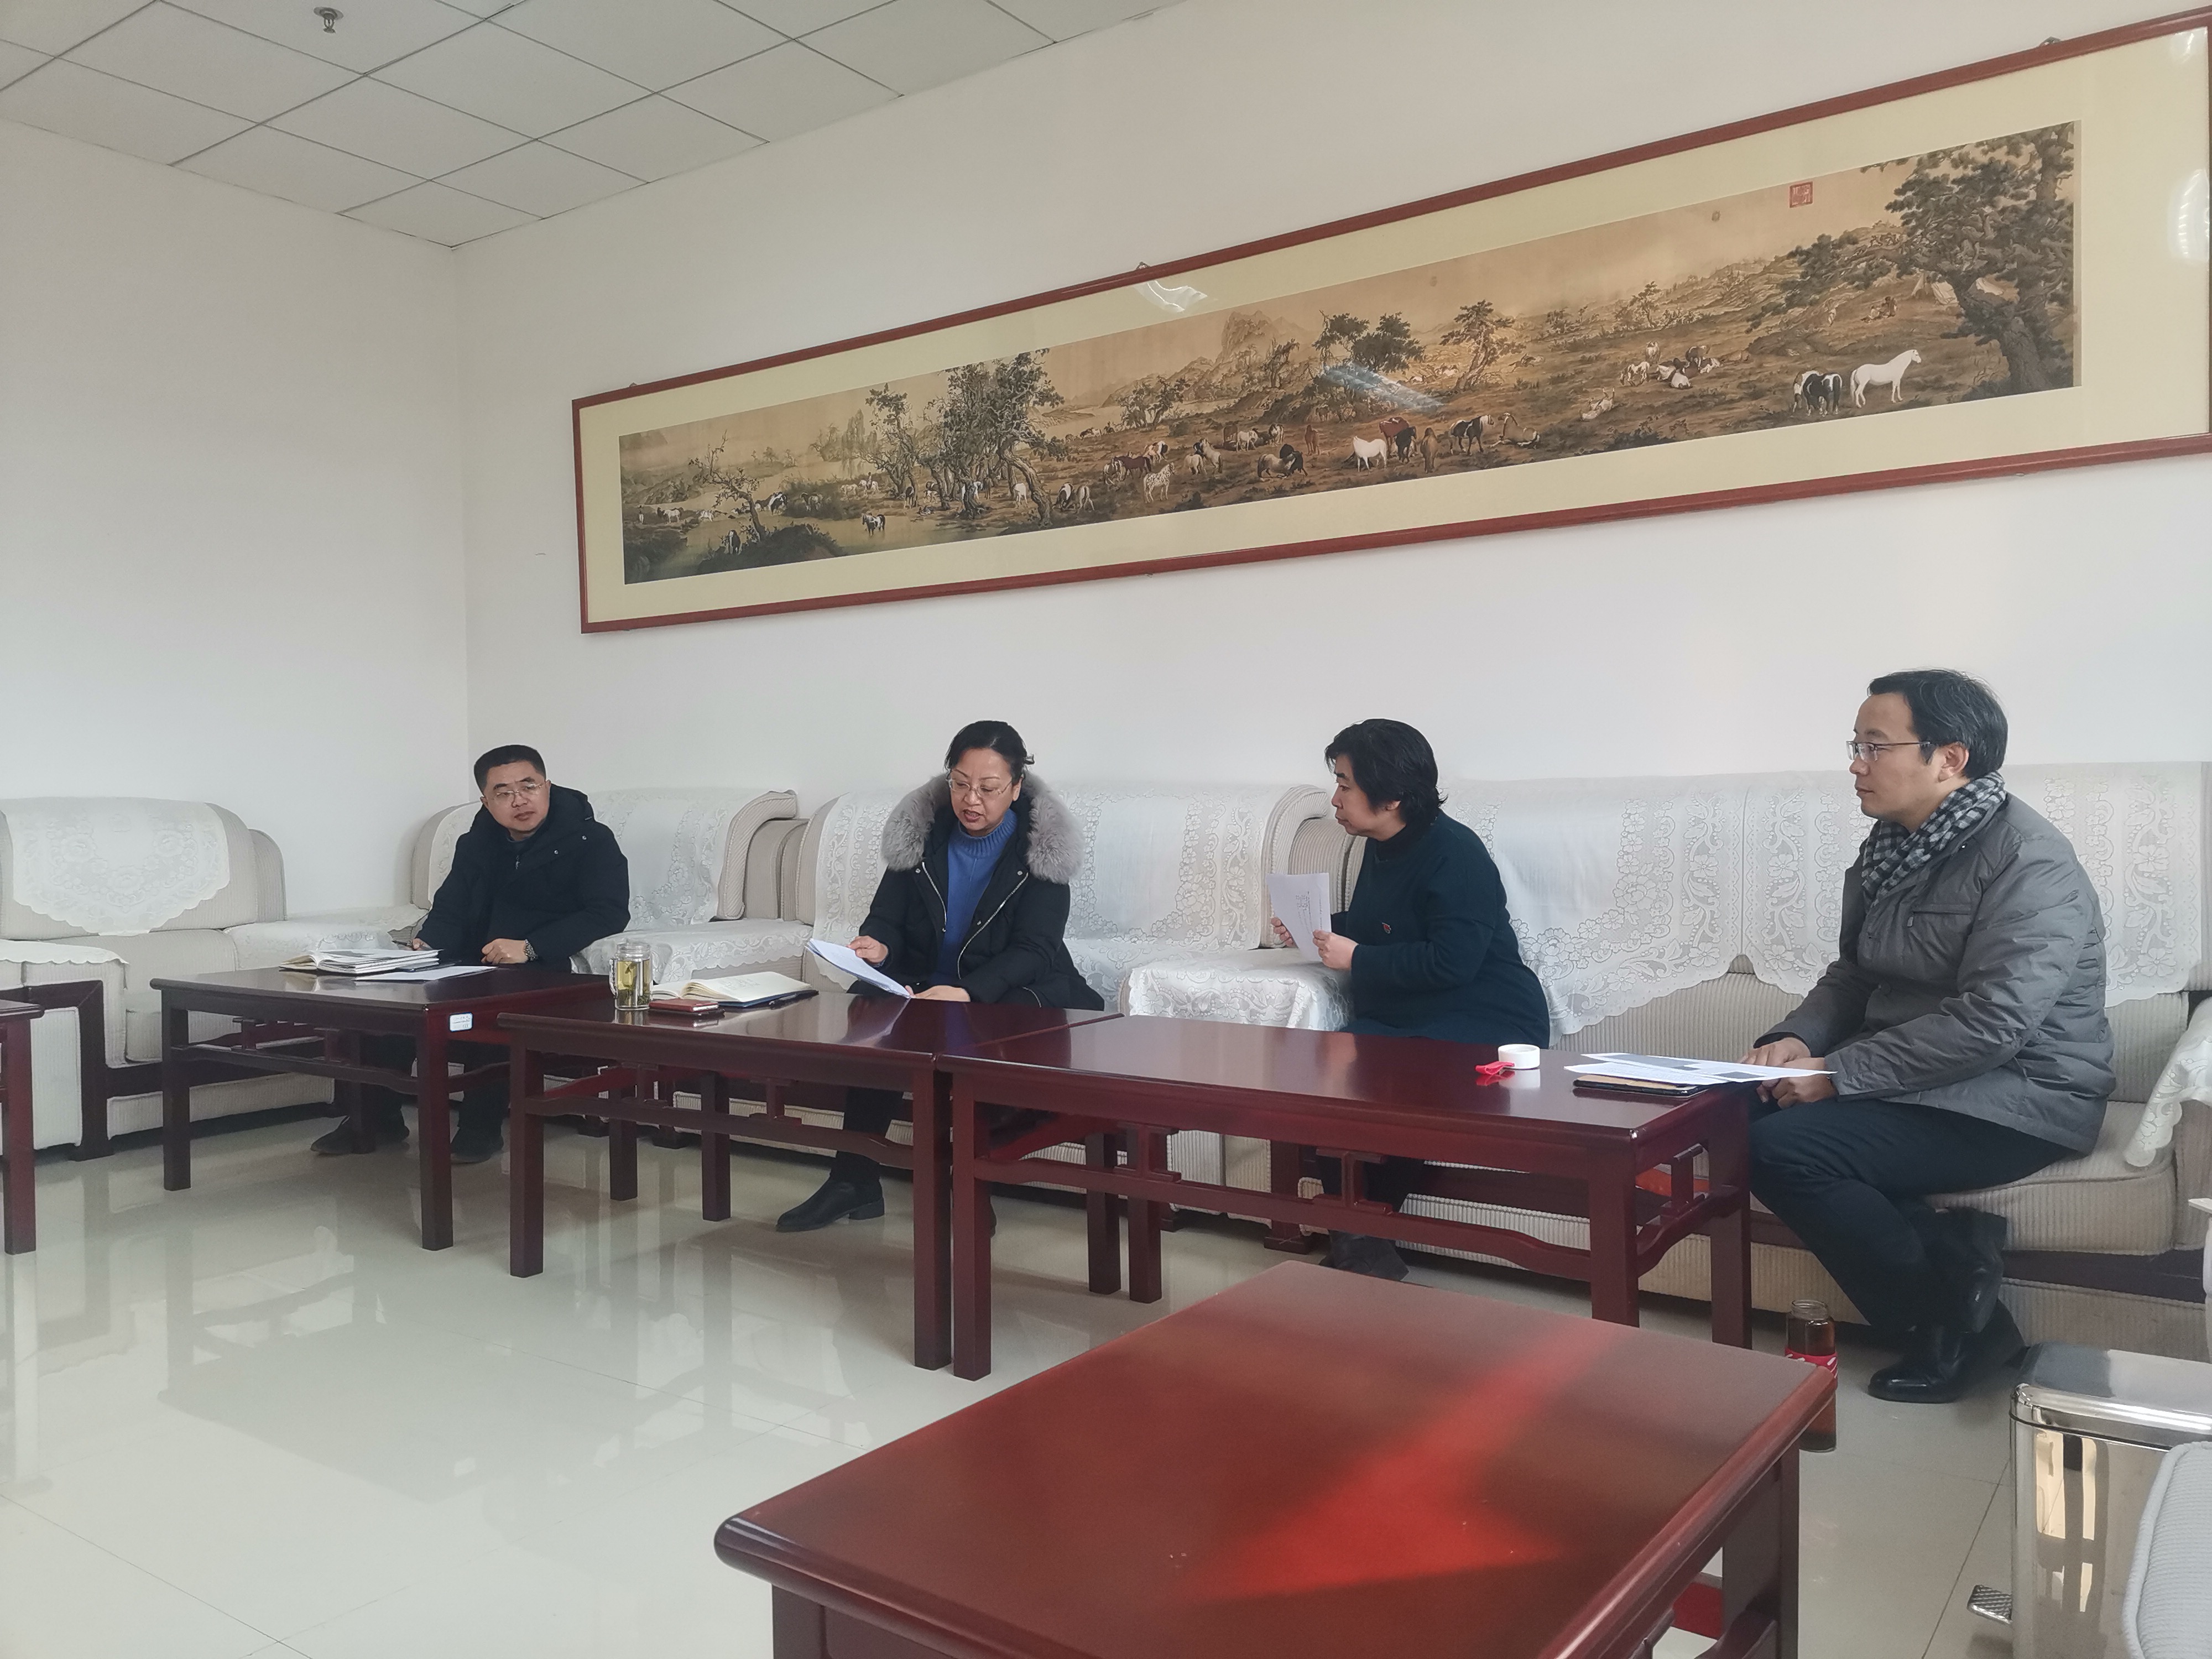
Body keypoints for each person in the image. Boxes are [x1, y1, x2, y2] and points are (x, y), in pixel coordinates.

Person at [1743, 670, 2111, 1404]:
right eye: (1855, 745)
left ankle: (1951, 1328)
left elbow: (1994, 1022)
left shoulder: (2029, 860)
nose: (1856, 764)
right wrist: (1795, 1039)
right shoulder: (1891, 847)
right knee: (1732, 1109)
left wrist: (1837, 1074)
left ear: (1949, 758)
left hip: (2019, 1095)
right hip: (1921, 1080)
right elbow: (1856, 974)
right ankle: (1956, 1252)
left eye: (1875, 746)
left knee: (1781, 1149)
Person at [777, 721, 1104, 1232]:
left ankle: (970, 1184)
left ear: (1016, 787)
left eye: (988, 788)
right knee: (874, 1009)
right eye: (960, 783)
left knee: (987, 1028)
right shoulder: (922, 838)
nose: (971, 799)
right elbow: (887, 916)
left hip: (1007, 988)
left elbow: (1035, 950)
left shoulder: (1041, 851)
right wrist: (878, 944)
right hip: (927, 983)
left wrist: (968, 991)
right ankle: (853, 1180)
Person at [1279, 719, 1550, 1281]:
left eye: (1345, 785)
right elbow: (1387, 924)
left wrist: (1358, 959)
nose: (1335, 799)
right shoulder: (1379, 845)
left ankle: (1359, 1251)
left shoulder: (1456, 853)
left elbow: (1452, 962)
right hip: (1411, 1014)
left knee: (1392, 1079)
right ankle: (1363, 1248)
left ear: (1392, 796)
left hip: (1485, 1014)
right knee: (1328, 1075)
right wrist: (1322, 929)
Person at [311, 744, 629, 1165]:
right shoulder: (477, 842)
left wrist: (530, 947)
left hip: (541, 964)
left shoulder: (591, 840)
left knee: (494, 1012)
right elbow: (452, 906)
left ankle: (480, 1129)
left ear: (548, 786)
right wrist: (427, 945)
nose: (519, 800)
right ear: (486, 801)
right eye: (503, 793)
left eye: (529, 786)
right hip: (471, 961)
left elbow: (609, 911)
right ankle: (374, 1120)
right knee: (395, 1008)